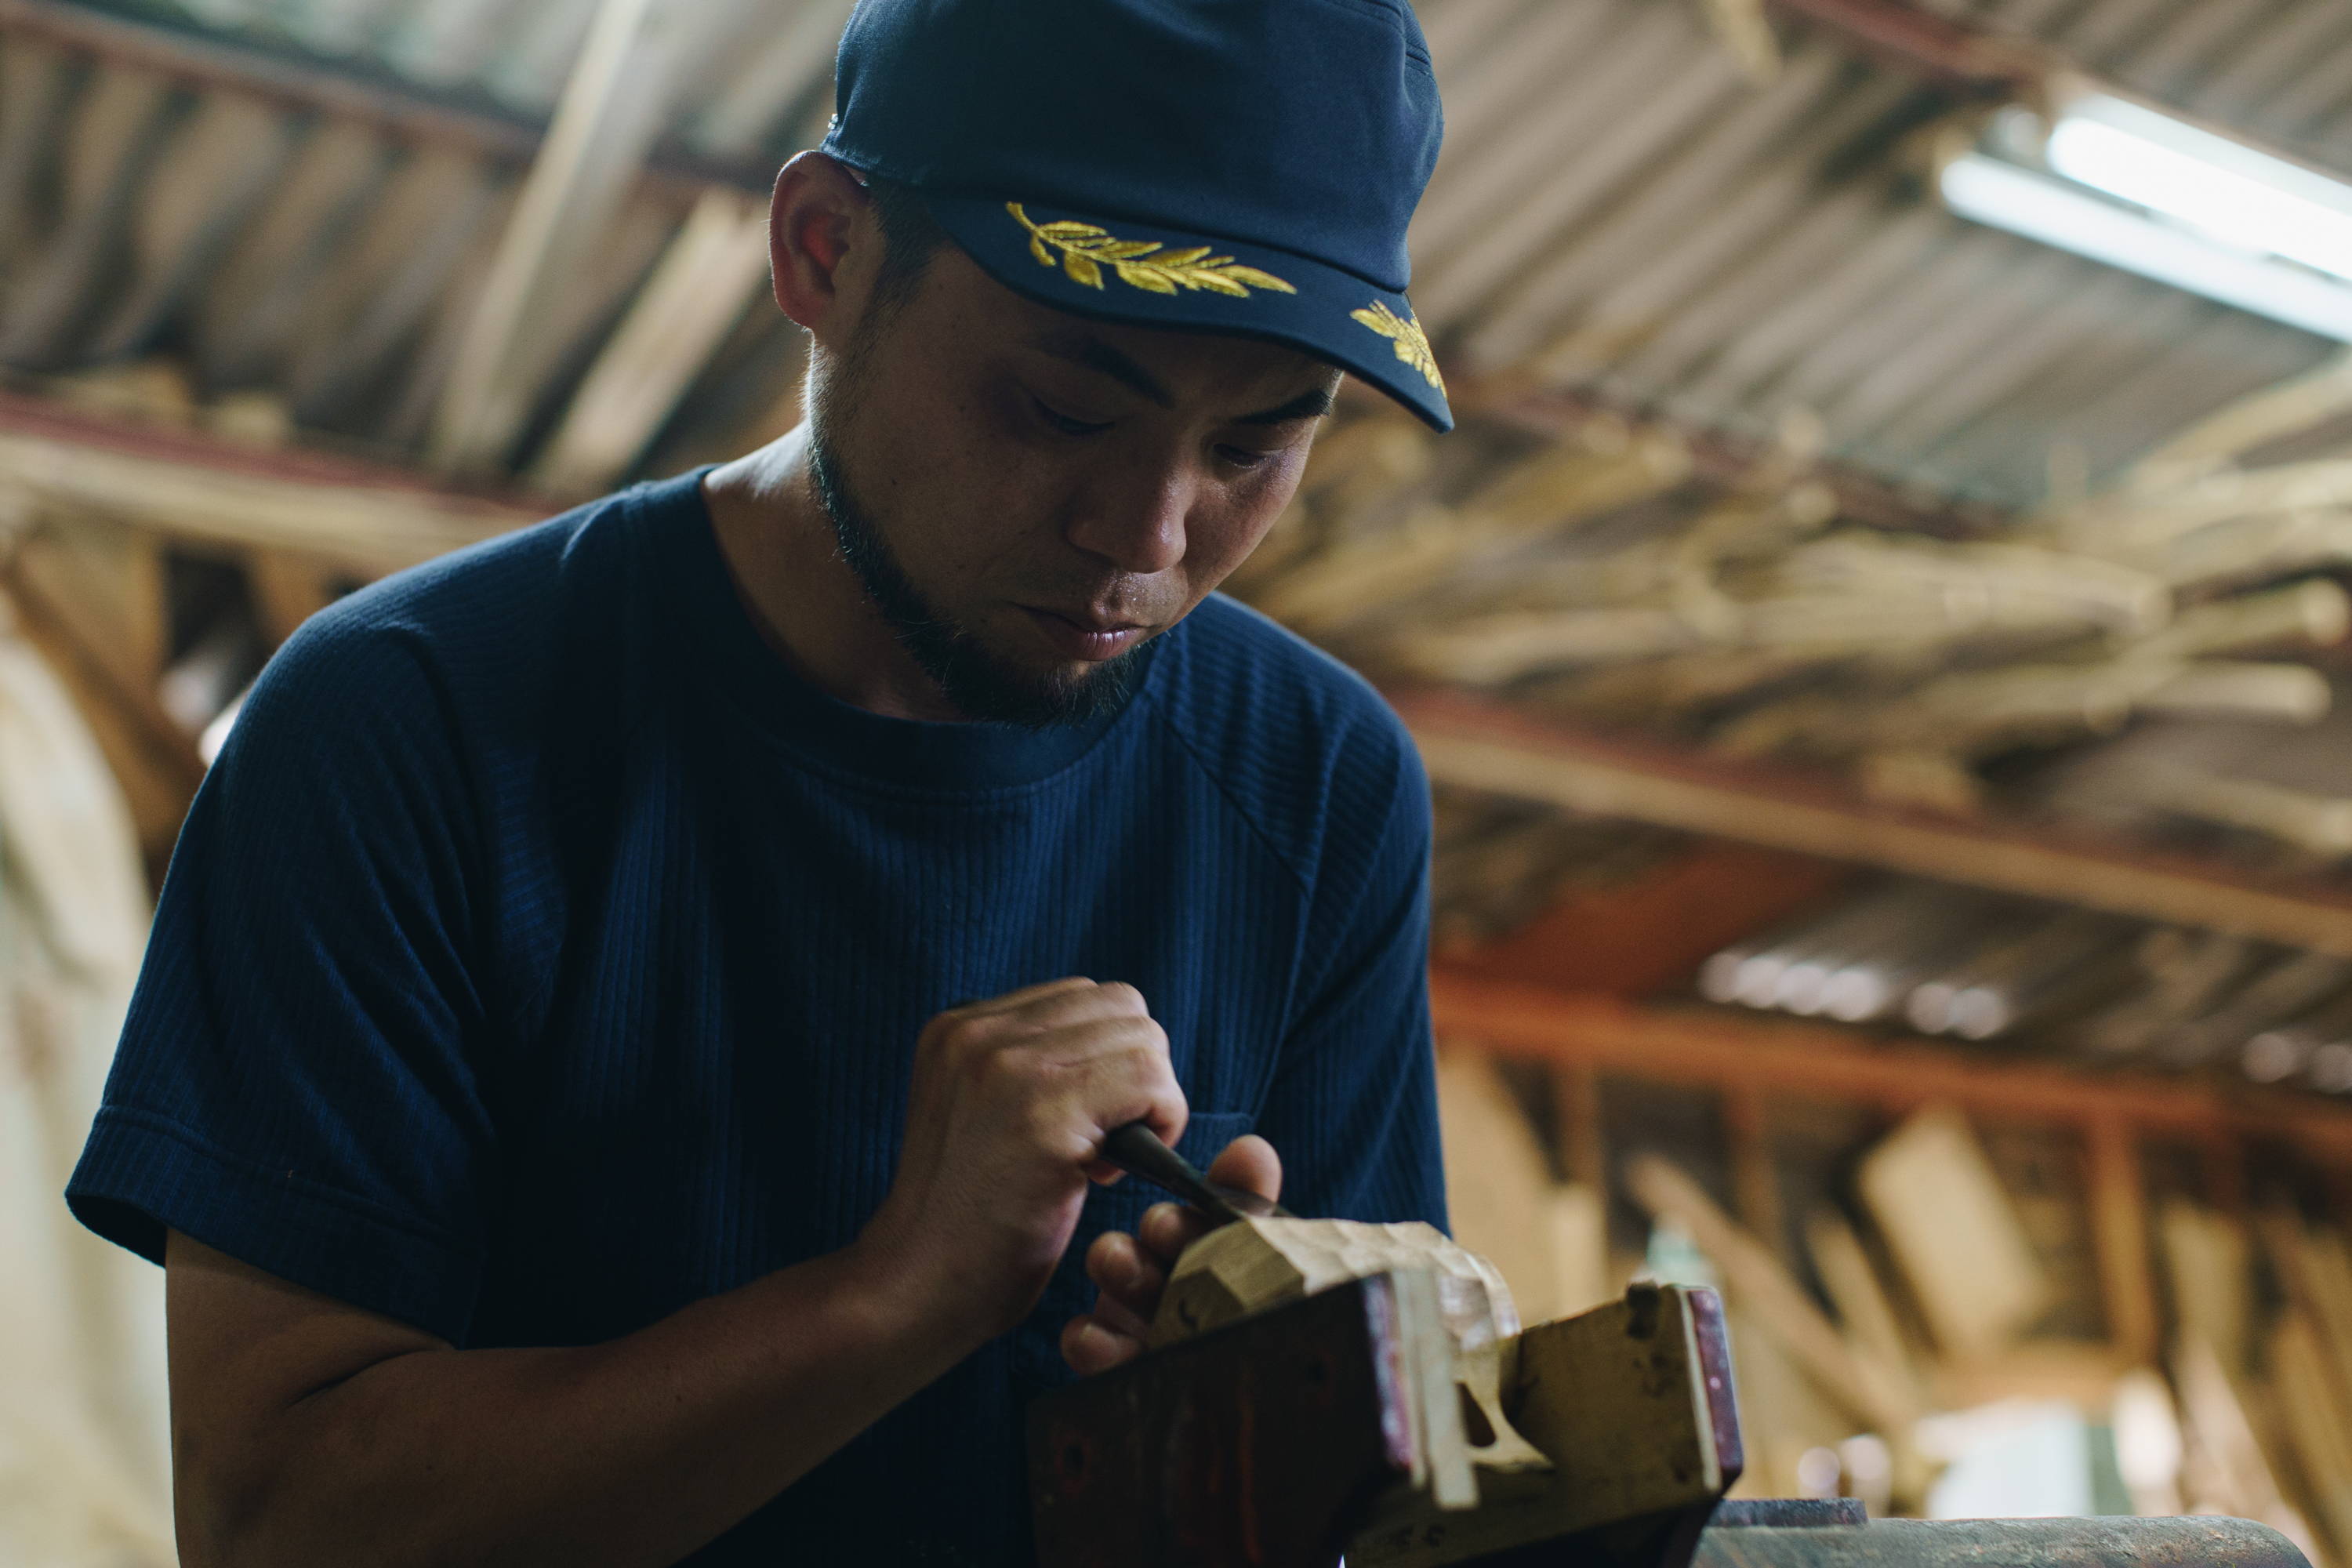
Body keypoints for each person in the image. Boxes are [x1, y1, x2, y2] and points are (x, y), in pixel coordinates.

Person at [66, 0, 1454, 1563]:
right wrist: (898, 1294)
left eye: (1256, 448)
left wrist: (1232, 1438)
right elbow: (272, 1524)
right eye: (1066, 410)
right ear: (825, 254)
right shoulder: (412, 725)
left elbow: (1382, 1490)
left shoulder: (1319, 787)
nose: (1148, 537)